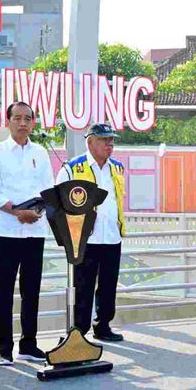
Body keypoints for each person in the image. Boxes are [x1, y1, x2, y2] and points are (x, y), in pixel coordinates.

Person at [0, 101, 54, 366]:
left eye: (27, 118)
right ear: (7, 121)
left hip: (35, 230)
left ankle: (29, 345)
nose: (22, 123)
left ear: (34, 122)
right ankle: (4, 349)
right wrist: (17, 213)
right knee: (4, 291)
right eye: (17, 118)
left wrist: (36, 212)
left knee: (32, 290)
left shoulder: (41, 153)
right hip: (6, 231)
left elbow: (49, 189)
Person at [56, 123, 126, 342]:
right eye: (105, 140)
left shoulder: (117, 167)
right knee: (83, 286)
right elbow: (58, 201)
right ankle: (79, 332)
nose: (110, 144)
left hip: (112, 236)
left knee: (108, 284)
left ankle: (103, 325)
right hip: (86, 238)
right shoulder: (72, 168)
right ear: (90, 142)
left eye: (112, 140)